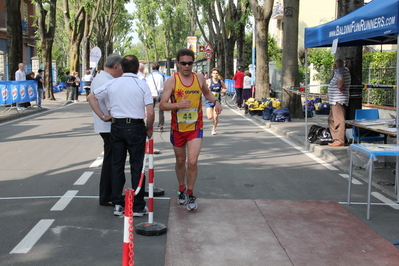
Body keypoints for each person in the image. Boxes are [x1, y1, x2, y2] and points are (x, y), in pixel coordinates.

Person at [88, 55, 154, 217]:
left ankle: (117, 203)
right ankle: (138, 206)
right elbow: (150, 111)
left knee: (117, 165)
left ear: (122, 68)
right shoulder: (141, 84)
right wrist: (148, 127)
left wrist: (103, 116)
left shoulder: (112, 83)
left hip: (117, 126)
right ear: (137, 67)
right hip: (136, 126)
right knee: (137, 166)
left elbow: (91, 97)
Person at [159, 48, 222, 211]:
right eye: (183, 63)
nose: (187, 66)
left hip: (195, 127)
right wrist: (177, 105)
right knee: (181, 161)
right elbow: (162, 104)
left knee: (192, 161)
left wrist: (216, 101)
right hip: (178, 128)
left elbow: (207, 94)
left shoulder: (199, 78)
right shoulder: (172, 81)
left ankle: (191, 192)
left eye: (190, 63)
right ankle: (181, 189)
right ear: (178, 64)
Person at [89, 54, 123, 207]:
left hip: (107, 124)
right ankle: (108, 194)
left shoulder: (102, 78)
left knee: (111, 160)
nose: (122, 72)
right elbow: (107, 102)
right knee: (112, 161)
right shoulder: (106, 80)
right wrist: (104, 115)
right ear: (115, 67)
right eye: (122, 68)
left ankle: (108, 193)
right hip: (109, 125)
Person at [327, 58, 351, 147]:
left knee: (339, 120)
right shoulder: (345, 71)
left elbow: (341, 78)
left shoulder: (339, 72)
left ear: (335, 65)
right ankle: (336, 138)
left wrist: (340, 87)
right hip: (335, 100)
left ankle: (339, 140)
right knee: (331, 119)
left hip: (338, 100)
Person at [205, 67, 227, 135]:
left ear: (218, 74)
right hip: (209, 101)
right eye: (214, 73)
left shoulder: (221, 81)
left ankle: (214, 129)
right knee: (209, 117)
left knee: (216, 116)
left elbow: (225, 88)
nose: (215, 74)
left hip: (217, 101)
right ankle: (213, 126)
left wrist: (223, 90)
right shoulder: (208, 81)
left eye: (216, 73)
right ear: (211, 74)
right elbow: (203, 88)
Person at [146, 63, 166, 132]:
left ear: (152, 68)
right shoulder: (162, 75)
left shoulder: (148, 75)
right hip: (159, 94)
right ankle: (160, 127)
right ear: (159, 68)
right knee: (161, 112)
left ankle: (150, 126)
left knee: (150, 111)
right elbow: (165, 84)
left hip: (150, 94)